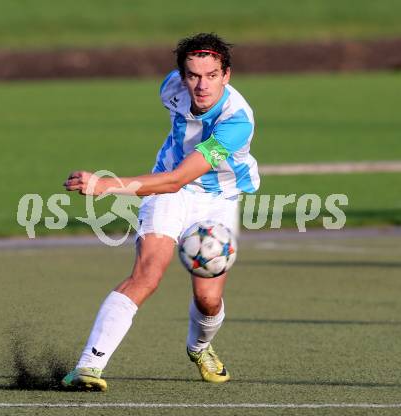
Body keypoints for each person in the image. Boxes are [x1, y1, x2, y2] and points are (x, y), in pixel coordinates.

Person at [62, 33, 260, 391]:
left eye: (212, 75)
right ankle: (88, 367)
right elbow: (171, 184)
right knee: (147, 274)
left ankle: (199, 347)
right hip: (168, 190)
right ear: (182, 75)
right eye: (193, 75)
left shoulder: (237, 122)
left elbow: (179, 178)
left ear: (226, 75)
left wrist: (107, 185)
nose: (202, 85)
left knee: (208, 298)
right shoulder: (171, 88)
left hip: (216, 198)